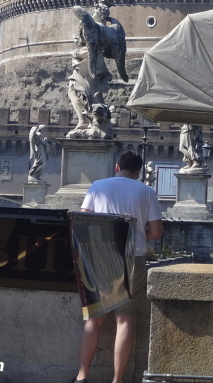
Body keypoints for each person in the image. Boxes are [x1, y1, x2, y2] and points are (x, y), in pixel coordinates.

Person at [74, 151, 162, 383]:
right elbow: (156, 232)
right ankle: (117, 380)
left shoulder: (98, 186)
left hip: (100, 255)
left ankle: (82, 376)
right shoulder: (147, 191)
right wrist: (140, 233)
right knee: (125, 320)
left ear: (116, 167)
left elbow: (84, 220)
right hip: (134, 256)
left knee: (94, 319)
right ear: (138, 172)